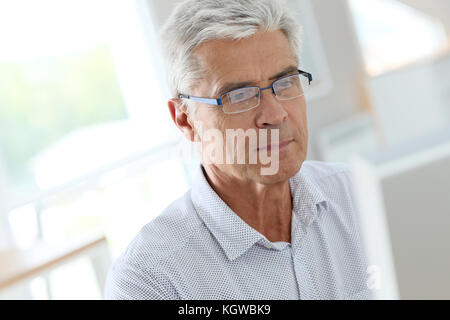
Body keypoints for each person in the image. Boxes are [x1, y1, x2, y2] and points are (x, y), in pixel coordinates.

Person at [104, 0, 372, 300]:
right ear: (185, 119)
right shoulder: (152, 281)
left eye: (285, 82)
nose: (275, 114)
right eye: (239, 95)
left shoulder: (363, 196)